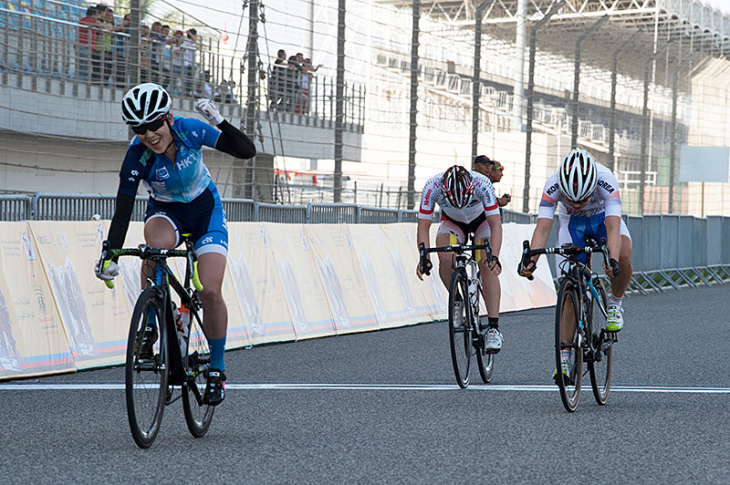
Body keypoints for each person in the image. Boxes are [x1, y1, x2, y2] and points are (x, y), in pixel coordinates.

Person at [95, 83, 257, 405]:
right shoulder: (136, 156)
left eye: (154, 124)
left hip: (204, 210)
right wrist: (110, 252)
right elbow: (123, 210)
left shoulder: (190, 131)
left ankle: (217, 368)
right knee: (153, 250)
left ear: (168, 118)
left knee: (210, 290)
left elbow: (246, 151)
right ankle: (151, 327)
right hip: (165, 211)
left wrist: (219, 122)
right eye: (139, 129)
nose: (149, 134)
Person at [518, 149, 632, 377]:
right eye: (571, 199)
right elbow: (542, 228)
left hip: (601, 220)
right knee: (568, 289)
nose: (578, 203)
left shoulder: (606, 179)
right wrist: (531, 260)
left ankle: (615, 304)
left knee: (623, 255)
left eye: (583, 198)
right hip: (571, 227)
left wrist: (611, 259)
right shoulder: (553, 185)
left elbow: (612, 227)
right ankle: (564, 360)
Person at [416, 165, 504, 352]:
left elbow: (496, 225)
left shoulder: (482, 183)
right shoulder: (432, 186)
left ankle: (494, 328)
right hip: (452, 223)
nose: (461, 205)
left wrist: (494, 257)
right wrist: (424, 257)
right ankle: (457, 299)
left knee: (486, 264)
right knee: (445, 257)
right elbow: (423, 227)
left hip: (482, 222)